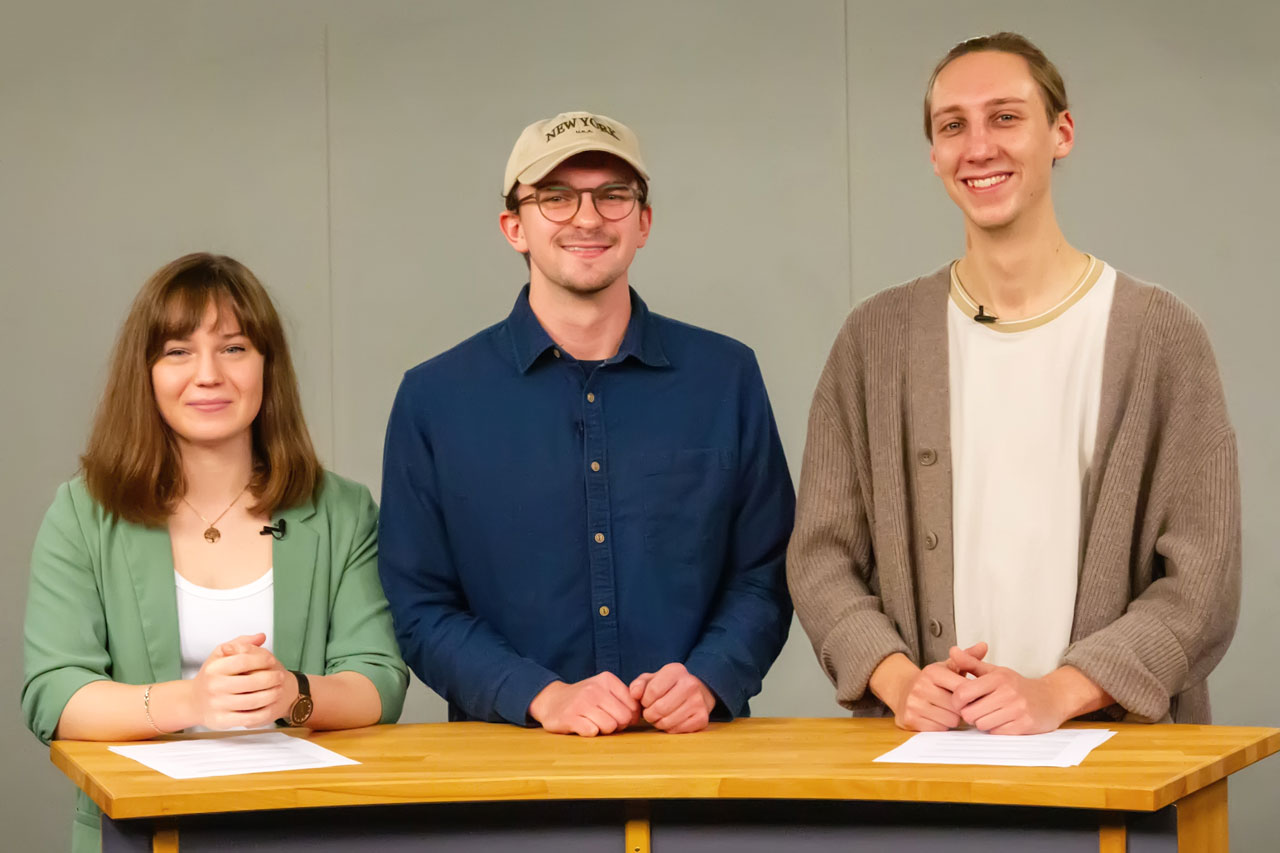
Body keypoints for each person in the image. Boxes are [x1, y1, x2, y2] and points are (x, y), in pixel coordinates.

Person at [787, 33, 1240, 734]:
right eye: (953, 126)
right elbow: (820, 557)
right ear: (934, 154)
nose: (978, 147)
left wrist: (1059, 692)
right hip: (927, 759)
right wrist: (901, 680)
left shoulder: (1160, 336)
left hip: (1113, 760)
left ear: (1061, 132)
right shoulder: (873, 340)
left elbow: (1202, 585)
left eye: (1005, 117)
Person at [379, 111, 794, 737]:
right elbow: (419, 606)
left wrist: (710, 677)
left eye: (613, 195)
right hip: (508, 772)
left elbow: (766, 570)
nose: (588, 217)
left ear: (644, 222)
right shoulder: (434, 397)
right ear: (514, 227)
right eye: (556, 197)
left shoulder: (725, 376)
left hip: (693, 761)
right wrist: (540, 695)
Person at [22, 253, 408, 852]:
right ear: (146, 372)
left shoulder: (340, 509)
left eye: (234, 348)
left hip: (306, 827)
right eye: (178, 351)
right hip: (141, 830)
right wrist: (194, 701)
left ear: (266, 366)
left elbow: (378, 681)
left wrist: (293, 694)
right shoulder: (82, 513)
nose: (208, 375)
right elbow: (54, 694)